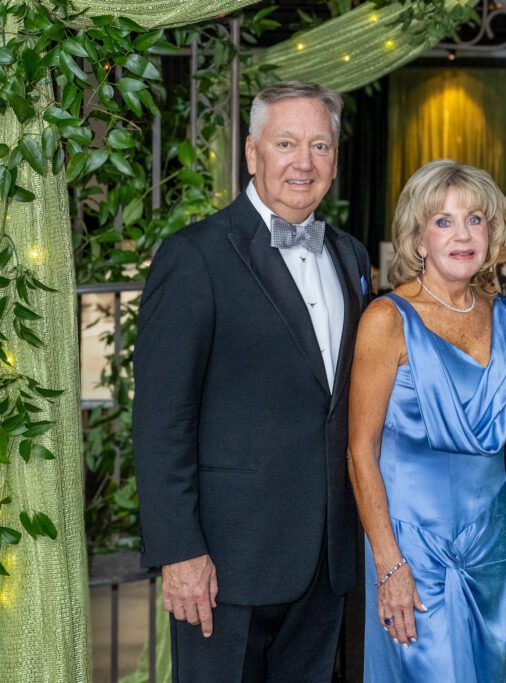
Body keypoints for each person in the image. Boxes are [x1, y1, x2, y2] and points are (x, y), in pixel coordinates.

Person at [133, 81, 372, 681]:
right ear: (251, 153)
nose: (304, 162)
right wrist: (180, 551)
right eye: (286, 143)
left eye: (320, 146)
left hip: (325, 562)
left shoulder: (350, 256)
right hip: (224, 566)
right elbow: (162, 420)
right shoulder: (195, 256)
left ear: (335, 160)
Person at [348, 160, 506, 682]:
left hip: (490, 547)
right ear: (418, 238)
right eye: (443, 221)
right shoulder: (387, 320)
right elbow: (361, 451)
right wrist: (389, 563)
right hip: (413, 551)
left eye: (474, 219)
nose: (462, 234)